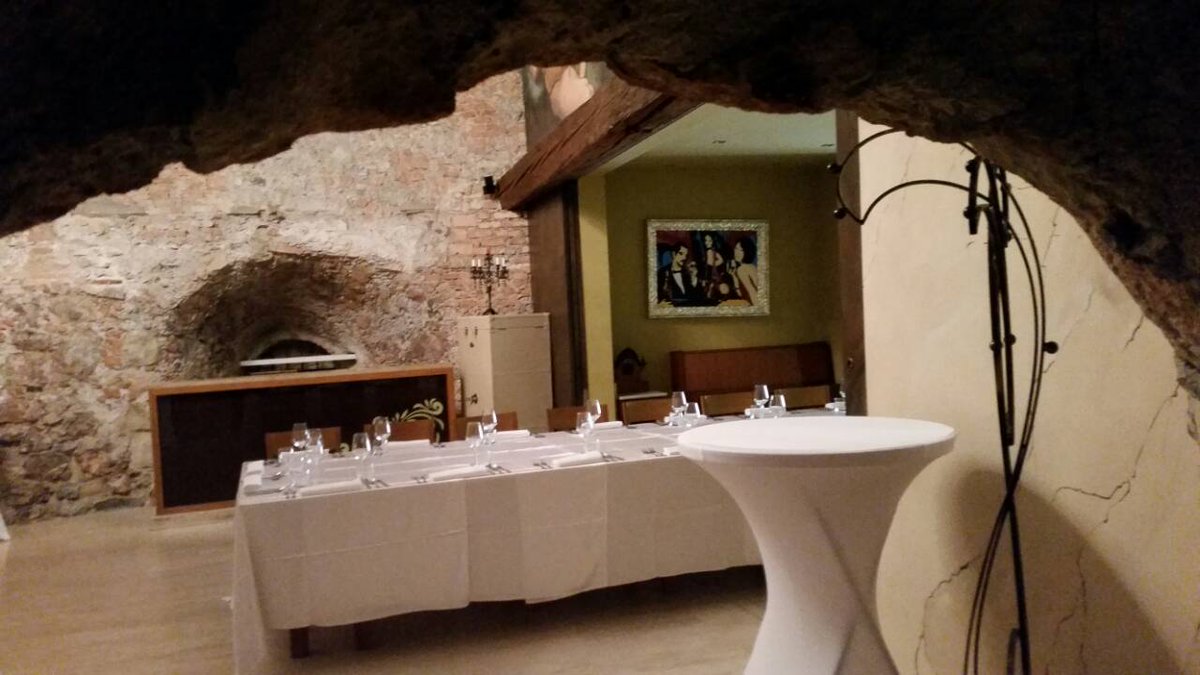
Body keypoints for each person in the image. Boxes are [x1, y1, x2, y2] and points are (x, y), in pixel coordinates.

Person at [729, 237, 760, 305]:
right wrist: (734, 276)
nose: (737, 252)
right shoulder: (752, 266)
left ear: (747, 252)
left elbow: (752, 292)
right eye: (736, 249)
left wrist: (757, 308)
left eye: (741, 250)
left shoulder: (742, 269)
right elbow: (741, 294)